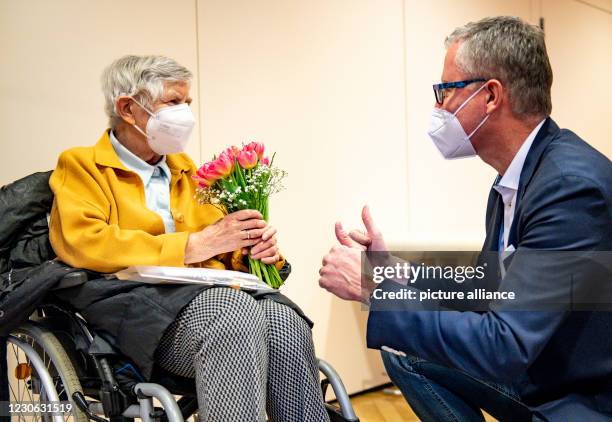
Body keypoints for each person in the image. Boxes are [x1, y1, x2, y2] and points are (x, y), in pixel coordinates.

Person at [318, 16, 612, 421]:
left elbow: (503, 345)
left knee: (406, 330)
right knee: (402, 348)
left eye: (445, 92)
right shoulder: (515, 179)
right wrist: (391, 273)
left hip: (580, 397)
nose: (438, 108)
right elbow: (487, 287)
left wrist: (376, 291)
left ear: (491, 96)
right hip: (538, 371)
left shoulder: (570, 188)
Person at [49, 54, 330, 422]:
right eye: (173, 102)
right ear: (128, 109)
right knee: (233, 313)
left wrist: (254, 251)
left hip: (198, 300)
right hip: (129, 309)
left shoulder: (186, 170)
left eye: (188, 102)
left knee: (283, 318)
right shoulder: (82, 165)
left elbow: (219, 244)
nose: (185, 114)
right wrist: (190, 246)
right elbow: (82, 240)